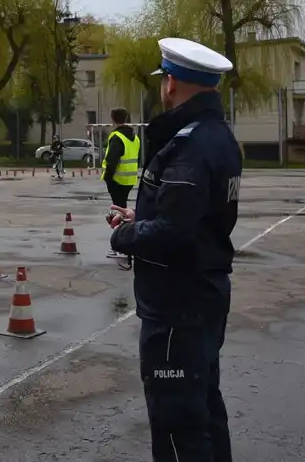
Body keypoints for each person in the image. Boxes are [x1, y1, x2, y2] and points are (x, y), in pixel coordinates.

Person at [106, 37, 242, 462]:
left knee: (176, 425)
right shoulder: (218, 136)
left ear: (172, 83)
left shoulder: (189, 144)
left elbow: (172, 233)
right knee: (203, 409)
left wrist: (123, 236)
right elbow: (192, 217)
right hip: (203, 294)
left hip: (176, 308)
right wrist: (139, 219)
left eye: (164, 79)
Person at [102, 108, 141, 259]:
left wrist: (107, 177)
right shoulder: (134, 137)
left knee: (120, 212)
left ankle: (122, 246)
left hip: (117, 179)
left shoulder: (117, 136)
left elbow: (112, 159)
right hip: (130, 178)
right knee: (123, 209)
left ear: (113, 119)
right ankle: (124, 244)